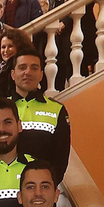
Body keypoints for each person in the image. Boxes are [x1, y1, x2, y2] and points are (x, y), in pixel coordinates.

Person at [7, 51, 72, 182]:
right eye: (22, 67)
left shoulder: (57, 109)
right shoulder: (1, 108)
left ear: (41, 75)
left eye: (34, 68)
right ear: (13, 74)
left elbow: (61, 159)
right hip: (5, 186)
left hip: (41, 190)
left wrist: (46, 186)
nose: (28, 72)